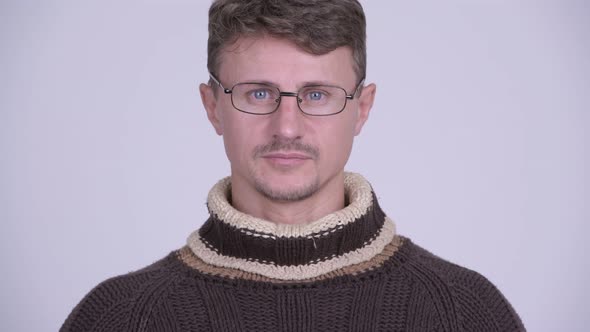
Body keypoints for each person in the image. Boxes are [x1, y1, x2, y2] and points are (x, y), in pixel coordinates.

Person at [61, 0, 525, 331]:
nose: (287, 127)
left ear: (361, 109)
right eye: (258, 93)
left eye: (317, 95)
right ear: (212, 106)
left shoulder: (463, 313)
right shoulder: (120, 317)